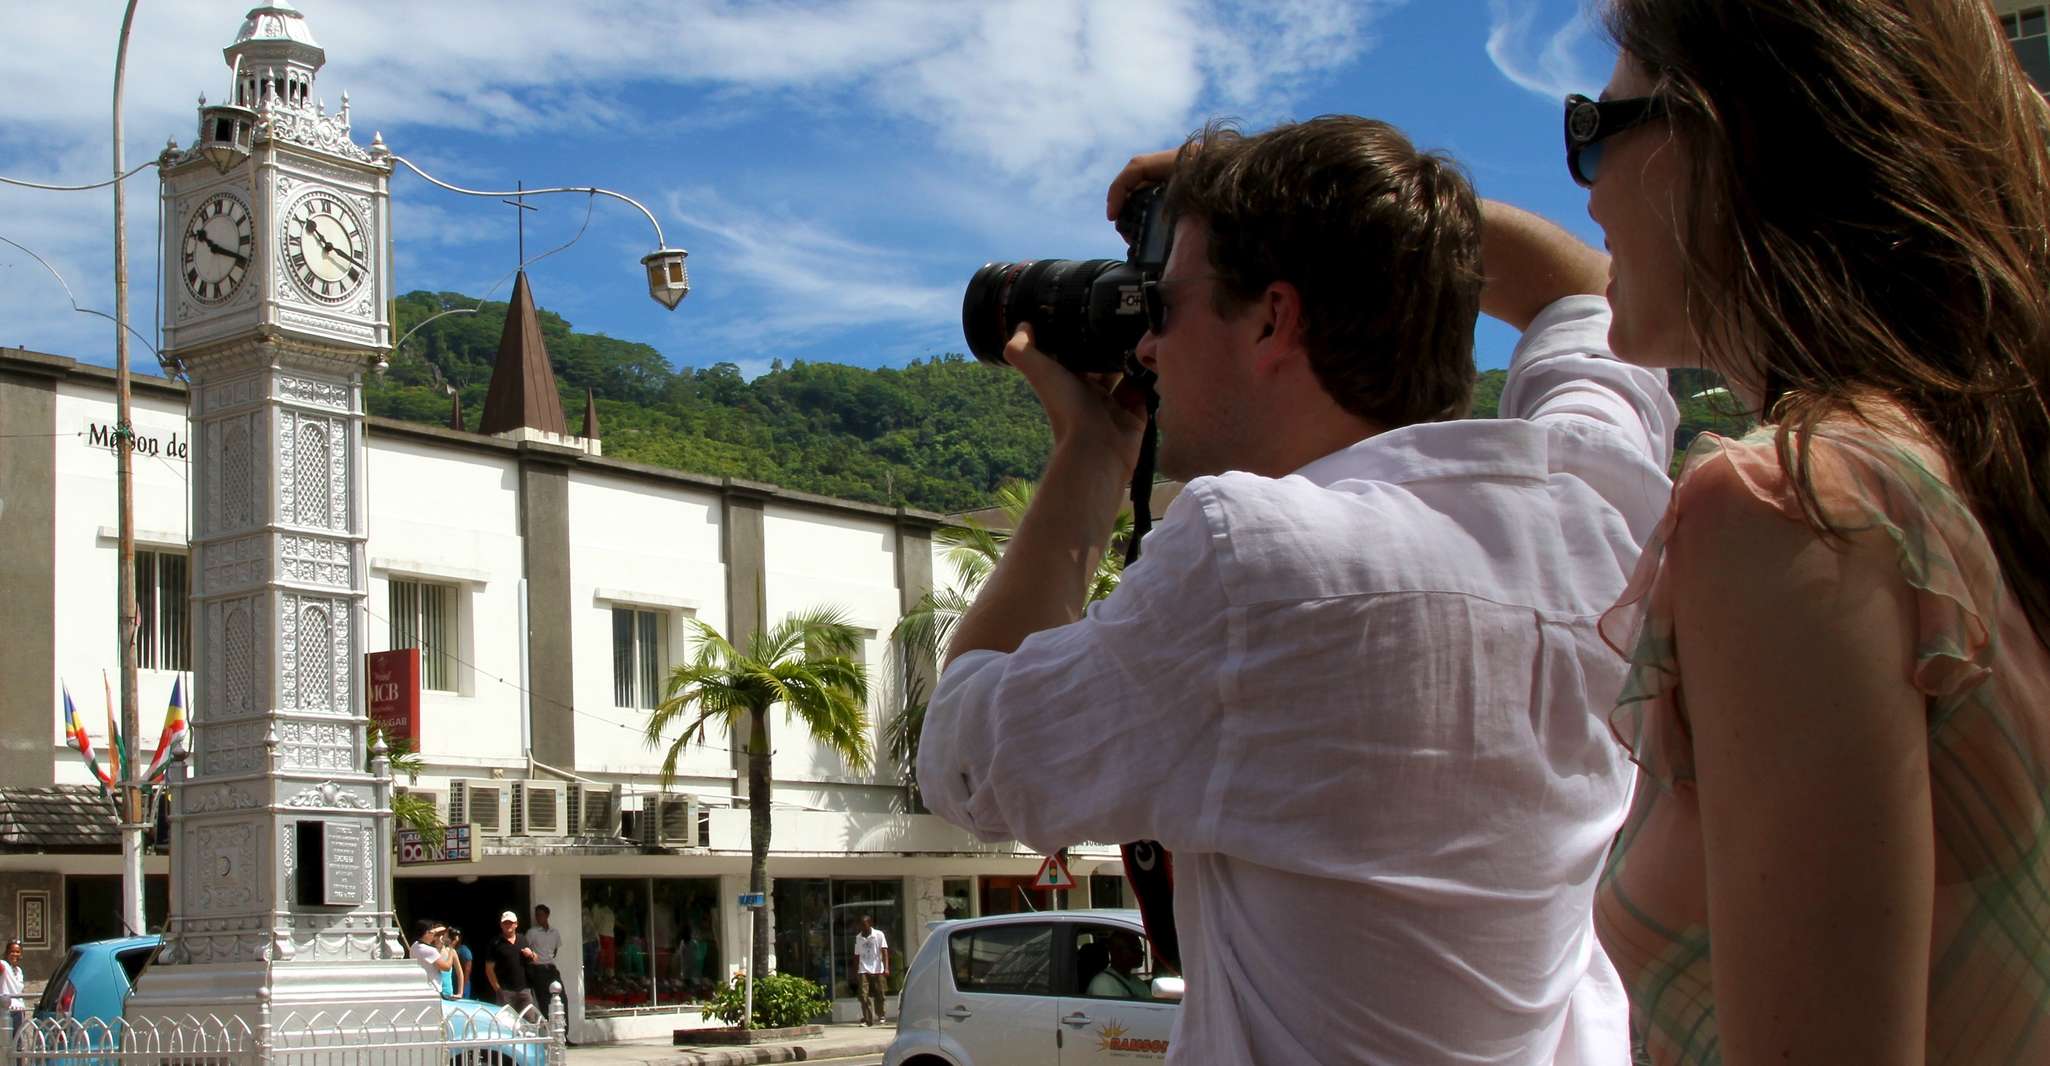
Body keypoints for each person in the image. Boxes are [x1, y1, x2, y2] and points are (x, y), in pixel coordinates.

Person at [918, 114, 1677, 1065]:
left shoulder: (1255, 569)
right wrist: (1368, 218)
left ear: (1275, 318)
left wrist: (1091, 457)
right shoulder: (1594, 508)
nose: (1147, 349)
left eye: (1168, 308)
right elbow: (1582, 296)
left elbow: (965, 756)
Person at [1568, 2, 2050, 1063]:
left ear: (1726, 138)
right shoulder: (1960, 482)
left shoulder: (1791, 504)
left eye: (1593, 129)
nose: (1585, 184)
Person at [482, 911, 538, 1013]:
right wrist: (498, 990)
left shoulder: (522, 939)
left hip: (524, 991)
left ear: (516, 924)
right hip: (505, 992)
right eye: (505, 923)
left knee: (529, 1024)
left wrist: (531, 954)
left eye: (511, 922)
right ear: (501, 925)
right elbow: (489, 969)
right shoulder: (495, 943)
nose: (508, 925)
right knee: (506, 1024)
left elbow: (535, 958)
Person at [1086, 930, 1151, 1000]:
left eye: (1140, 948)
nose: (1142, 952)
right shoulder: (1103, 984)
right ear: (1117, 952)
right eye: (1135, 948)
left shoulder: (1135, 980)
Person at [525, 905, 563, 1021]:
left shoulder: (555, 932)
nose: (538, 917)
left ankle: (564, 1034)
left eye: (540, 914)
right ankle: (548, 1033)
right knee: (544, 1000)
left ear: (547, 915)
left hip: (551, 968)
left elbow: (555, 950)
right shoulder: (532, 932)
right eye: (537, 915)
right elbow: (525, 950)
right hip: (538, 969)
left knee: (561, 999)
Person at [852, 915, 889, 1027]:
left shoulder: (879, 934)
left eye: (864, 925)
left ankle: (881, 1014)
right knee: (863, 995)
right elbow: (857, 955)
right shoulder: (858, 937)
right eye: (860, 925)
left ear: (870, 924)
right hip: (863, 968)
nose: (862, 927)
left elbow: (884, 951)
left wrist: (886, 967)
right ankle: (868, 1019)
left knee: (880, 993)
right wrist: (856, 971)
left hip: (877, 968)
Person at [411, 920, 456, 998]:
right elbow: (447, 967)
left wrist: (434, 930)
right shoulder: (429, 950)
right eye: (431, 932)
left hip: (421, 989)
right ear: (426, 933)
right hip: (433, 990)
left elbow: (442, 928)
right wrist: (451, 948)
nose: (434, 934)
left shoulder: (414, 946)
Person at [2, 938, 27, 1043]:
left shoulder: (19, 971)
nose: (14, 954)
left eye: (17, 952)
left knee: (17, 1043)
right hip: (6, 1010)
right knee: (5, 1042)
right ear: (7, 953)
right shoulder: (4, 965)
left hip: (19, 1011)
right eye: (12, 951)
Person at [449, 927, 473, 999]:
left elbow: (467, 971)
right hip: (451, 984)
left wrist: (462, 988)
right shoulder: (446, 949)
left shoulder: (464, 950)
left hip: (462, 985)